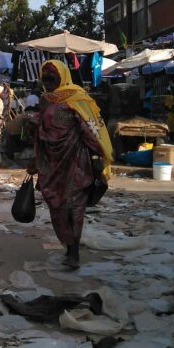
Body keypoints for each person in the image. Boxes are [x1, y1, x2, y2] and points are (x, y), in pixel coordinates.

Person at [27, 60, 112, 269]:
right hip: (51, 165)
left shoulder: (77, 98)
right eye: (44, 79)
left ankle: (74, 253)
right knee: (57, 207)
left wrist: (98, 156)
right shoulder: (45, 101)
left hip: (75, 163)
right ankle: (68, 247)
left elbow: (91, 130)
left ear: (62, 77)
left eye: (51, 78)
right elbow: (42, 130)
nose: (47, 83)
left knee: (74, 207)